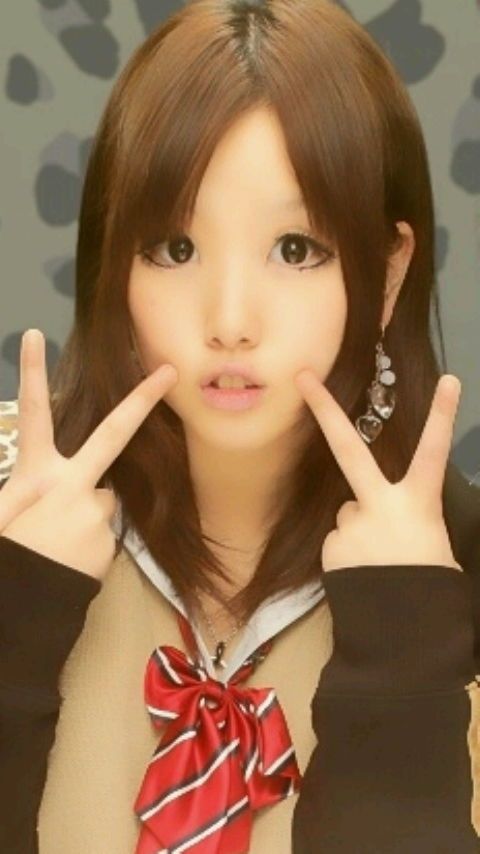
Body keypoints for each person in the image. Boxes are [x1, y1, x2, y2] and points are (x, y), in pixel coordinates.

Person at [1, 0, 480, 851]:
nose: (229, 321)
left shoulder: (459, 577)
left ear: (387, 272)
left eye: (296, 249)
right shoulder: (13, 522)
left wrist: (403, 650)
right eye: (175, 249)